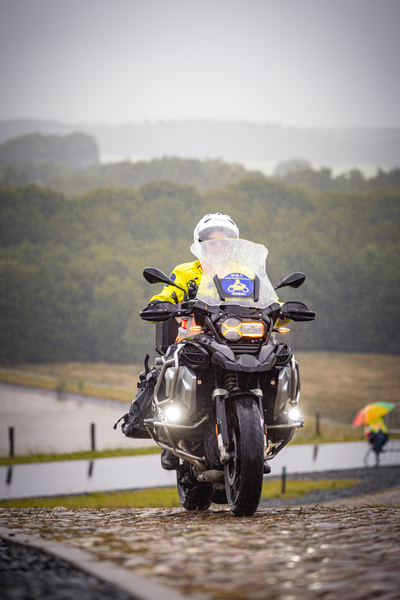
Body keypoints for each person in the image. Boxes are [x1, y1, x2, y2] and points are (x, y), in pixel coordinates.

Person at [140, 213, 281, 474]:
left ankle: (263, 431)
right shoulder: (186, 272)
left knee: (279, 358)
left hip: (237, 340)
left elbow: (266, 299)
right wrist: (161, 303)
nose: (218, 246)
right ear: (201, 244)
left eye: (224, 241)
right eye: (212, 242)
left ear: (232, 245)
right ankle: (169, 432)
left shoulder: (245, 273)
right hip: (196, 338)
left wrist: (282, 309)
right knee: (174, 359)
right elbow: (168, 292)